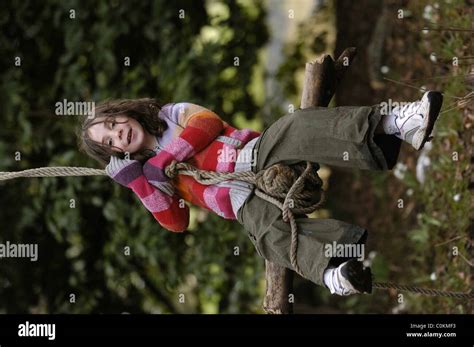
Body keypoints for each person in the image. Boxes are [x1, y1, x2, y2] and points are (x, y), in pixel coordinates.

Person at [78, 91, 443, 296]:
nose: (118, 134)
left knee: (297, 125)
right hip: (241, 200)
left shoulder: (170, 115)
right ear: (116, 154)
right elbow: (177, 221)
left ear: (123, 112)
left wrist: (169, 156)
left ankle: (398, 124)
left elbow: (207, 124)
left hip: (255, 154)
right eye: (109, 142)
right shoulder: (149, 179)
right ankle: (336, 273)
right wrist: (142, 184)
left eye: (112, 124)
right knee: (268, 237)